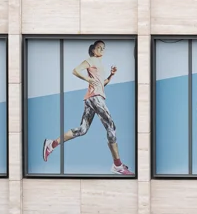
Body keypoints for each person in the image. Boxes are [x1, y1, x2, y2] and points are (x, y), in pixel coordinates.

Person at [42, 41, 133, 175]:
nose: (101, 49)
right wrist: (87, 79)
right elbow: (75, 70)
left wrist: (111, 75)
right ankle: (117, 165)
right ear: (93, 50)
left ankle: (52, 144)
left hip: (91, 99)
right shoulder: (91, 60)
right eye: (98, 47)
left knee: (82, 129)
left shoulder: (99, 65)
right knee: (111, 127)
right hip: (95, 98)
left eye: (103, 48)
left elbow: (102, 84)